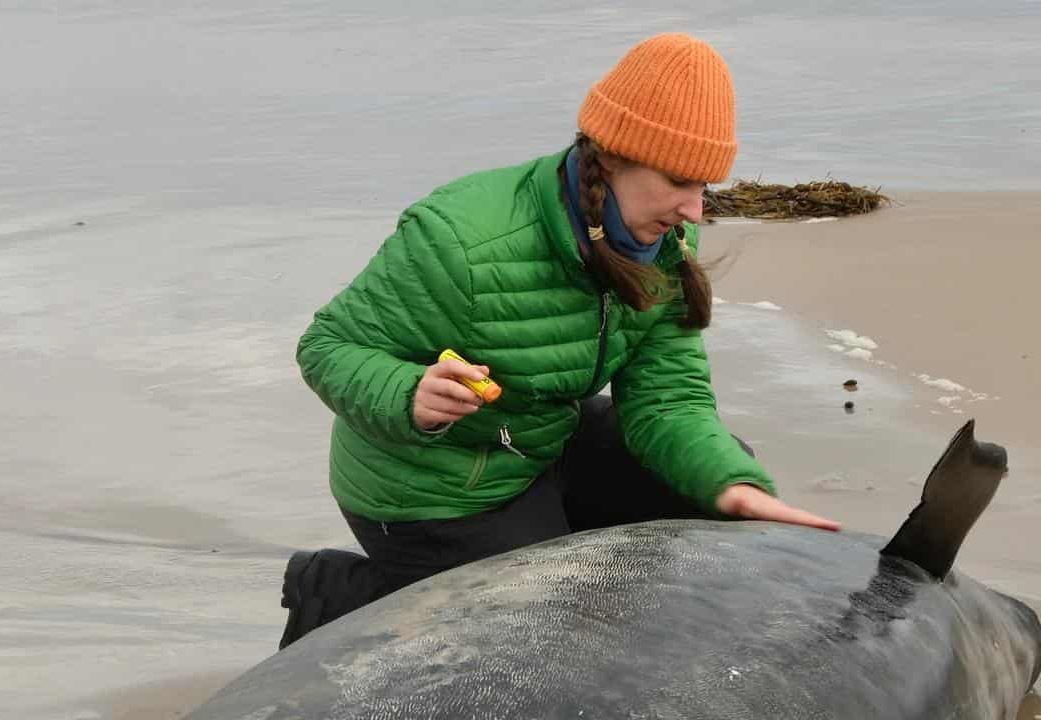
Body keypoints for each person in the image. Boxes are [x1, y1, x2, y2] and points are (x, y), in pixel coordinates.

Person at [280, 32, 840, 649]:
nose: (695, 210)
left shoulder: (665, 244)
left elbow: (667, 401)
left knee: (705, 490)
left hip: (540, 443)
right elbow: (326, 346)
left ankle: (554, 551)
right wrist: (407, 392)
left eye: (704, 185)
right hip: (431, 488)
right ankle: (344, 594)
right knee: (543, 633)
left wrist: (731, 486)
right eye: (680, 181)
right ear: (615, 157)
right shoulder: (462, 241)